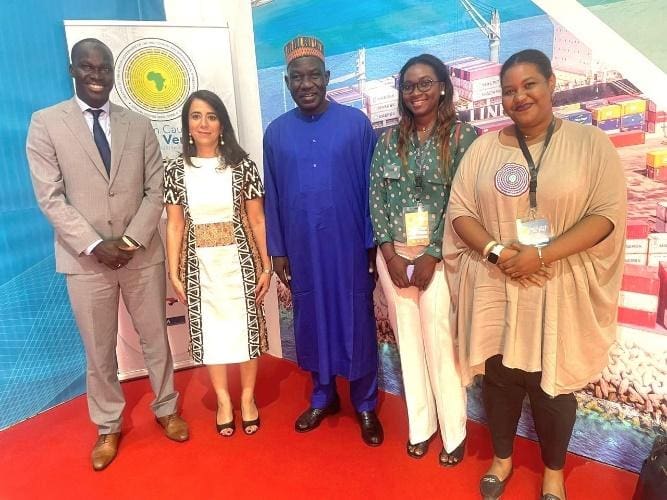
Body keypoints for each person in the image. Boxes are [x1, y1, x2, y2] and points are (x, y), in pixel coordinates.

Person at [443, 49, 626, 500]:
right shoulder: (484, 148)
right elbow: (460, 212)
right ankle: (502, 459)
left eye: (530, 85)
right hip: (497, 281)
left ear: (551, 84)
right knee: (500, 378)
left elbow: (605, 217)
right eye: (509, 90)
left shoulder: (590, 145)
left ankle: (553, 472)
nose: (519, 96)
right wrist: (496, 250)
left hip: (556, 284)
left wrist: (540, 256)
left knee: (553, 387)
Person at [26, 38, 188, 471]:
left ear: (114, 72)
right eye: (88, 67)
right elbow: (50, 197)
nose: (97, 76)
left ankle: (167, 407)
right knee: (99, 350)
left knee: (157, 340)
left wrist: (131, 241)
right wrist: (96, 244)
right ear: (73, 70)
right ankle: (108, 425)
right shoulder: (45, 123)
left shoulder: (138, 124)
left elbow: (157, 188)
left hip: (140, 254)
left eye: (104, 68)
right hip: (85, 261)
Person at [263, 35, 383, 446]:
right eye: (297, 77)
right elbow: (273, 194)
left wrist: (372, 243)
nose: (306, 83)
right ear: (287, 81)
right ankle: (323, 396)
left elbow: (374, 190)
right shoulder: (276, 133)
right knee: (311, 320)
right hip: (302, 249)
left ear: (328, 77)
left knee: (357, 320)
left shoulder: (356, 125)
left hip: (349, 246)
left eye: (314, 75)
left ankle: (365, 405)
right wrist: (277, 249)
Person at [370, 54, 477, 465]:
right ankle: (421, 427)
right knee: (408, 346)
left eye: (425, 83)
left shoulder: (464, 137)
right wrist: (388, 252)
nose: (416, 92)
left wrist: (433, 253)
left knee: (439, 344)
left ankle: (454, 433)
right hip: (394, 255)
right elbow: (375, 199)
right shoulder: (387, 141)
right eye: (409, 86)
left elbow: (463, 202)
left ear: (444, 86)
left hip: (441, 257)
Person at [164, 90, 271, 437]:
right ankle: (224, 400)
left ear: (222, 122)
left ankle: (249, 397)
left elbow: (256, 220)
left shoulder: (243, 166)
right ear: (187, 125)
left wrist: (266, 265)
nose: (204, 123)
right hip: (198, 266)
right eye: (196, 116)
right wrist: (174, 271)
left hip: (240, 261)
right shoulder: (175, 170)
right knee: (210, 334)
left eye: (211, 116)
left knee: (247, 331)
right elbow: (175, 224)